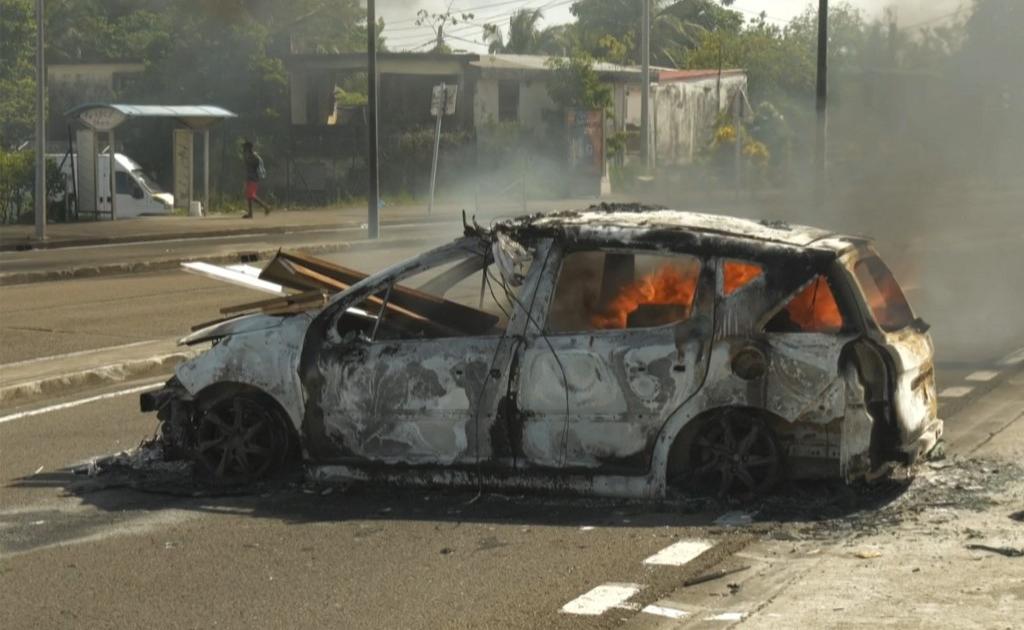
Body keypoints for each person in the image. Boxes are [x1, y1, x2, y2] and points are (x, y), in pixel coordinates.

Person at [241, 140, 271, 218]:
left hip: (253, 178)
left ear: (248, 148)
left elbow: (256, 166)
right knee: (249, 196)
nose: (243, 148)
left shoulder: (253, 157)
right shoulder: (249, 156)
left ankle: (266, 207)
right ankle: (250, 213)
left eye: (245, 147)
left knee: (251, 195)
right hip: (249, 178)